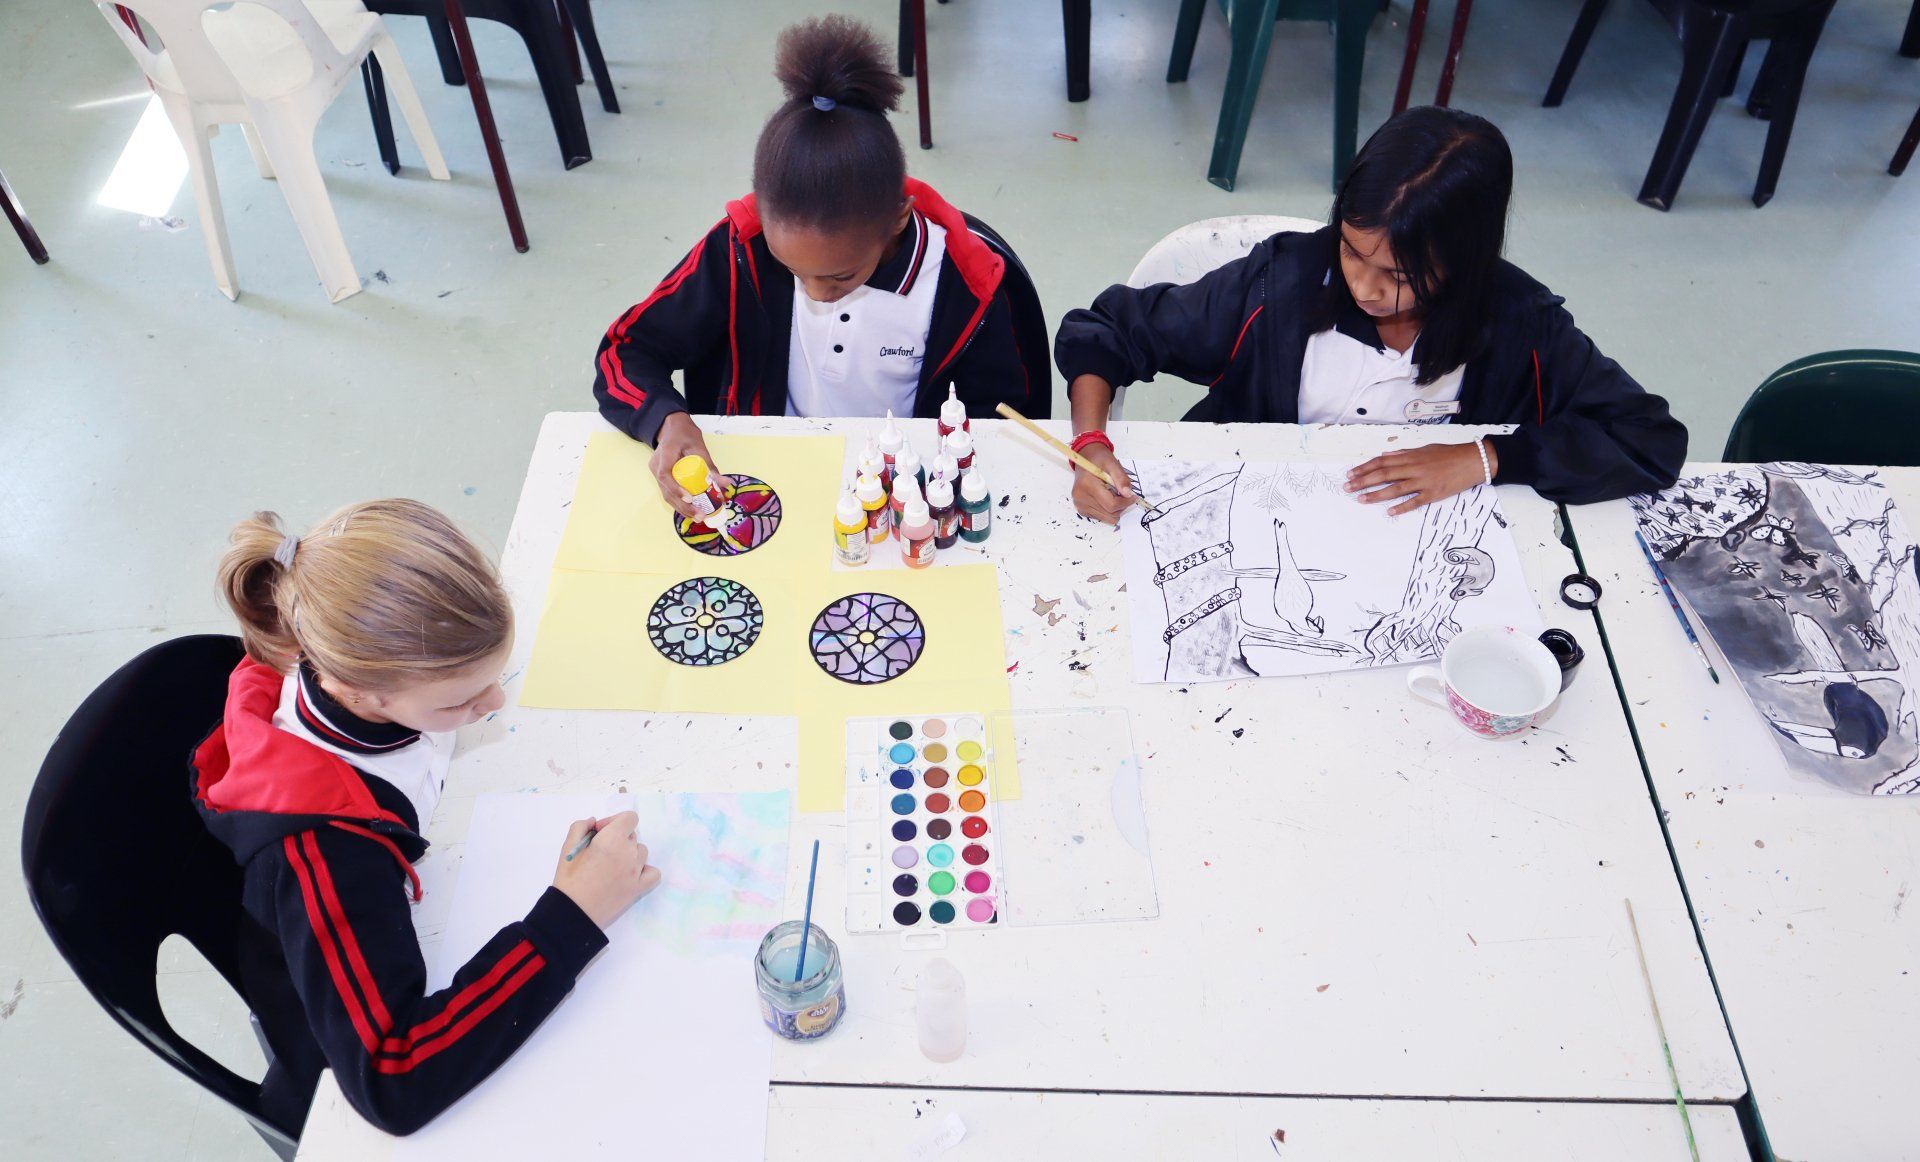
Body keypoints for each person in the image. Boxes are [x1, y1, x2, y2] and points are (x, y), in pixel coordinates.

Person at [195, 499, 660, 1135]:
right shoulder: (325, 858)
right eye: (460, 701)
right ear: (361, 692)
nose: (494, 705)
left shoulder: (349, 660)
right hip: (344, 1044)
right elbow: (393, 1080)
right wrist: (572, 917)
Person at [1053, 106, 1687, 523]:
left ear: (1464, 265)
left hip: (1409, 548)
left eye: (1400, 277)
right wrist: (1089, 443)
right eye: (1352, 253)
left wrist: (1485, 457)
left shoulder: (1520, 325)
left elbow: (1648, 440)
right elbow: (1106, 330)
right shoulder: (1281, 284)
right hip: (1246, 514)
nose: (1364, 288)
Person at [592, 15, 1050, 516]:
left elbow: (1006, 428)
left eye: (840, 277)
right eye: (792, 271)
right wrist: (666, 419)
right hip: (768, 476)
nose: (813, 294)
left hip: (905, 497)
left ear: (898, 218)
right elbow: (627, 350)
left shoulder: (969, 283)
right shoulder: (741, 246)